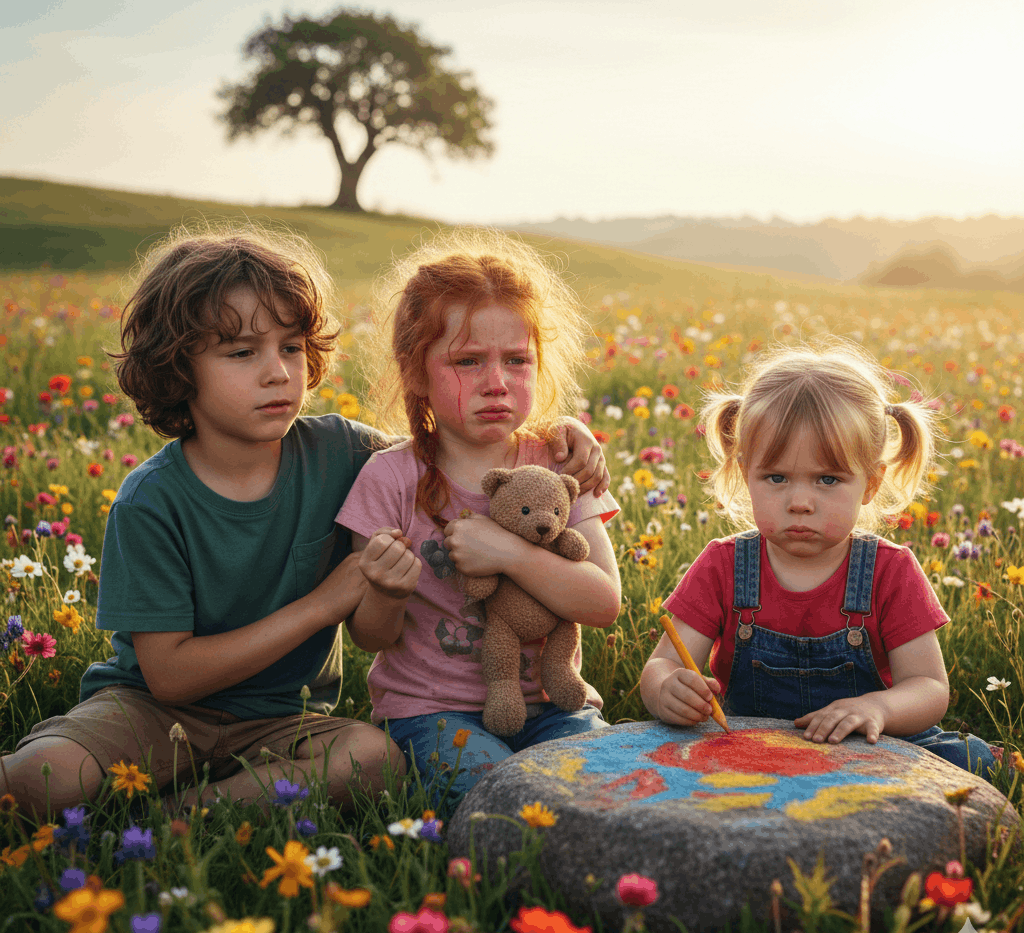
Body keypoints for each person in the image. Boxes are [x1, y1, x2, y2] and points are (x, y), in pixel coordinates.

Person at [0, 227, 602, 822]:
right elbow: (169, 677)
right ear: (177, 368)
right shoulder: (150, 502)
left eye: (291, 348)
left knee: (372, 759)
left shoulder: (342, 452)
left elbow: (451, 449)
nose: (278, 373)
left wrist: (557, 436)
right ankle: (166, 806)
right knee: (46, 776)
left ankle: (177, 818)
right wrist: (323, 604)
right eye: (242, 352)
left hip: (288, 721)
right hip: (148, 713)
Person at [337, 229, 621, 810]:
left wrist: (511, 554)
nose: (496, 382)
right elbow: (371, 637)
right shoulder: (389, 479)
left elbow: (602, 603)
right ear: (415, 372)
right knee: (500, 802)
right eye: (467, 361)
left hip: (554, 706)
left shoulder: (555, 464)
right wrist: (386, 591)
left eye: (517, 360)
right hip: (430, 713)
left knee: (605, 794)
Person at [640, 340, 997, 779]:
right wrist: (666, 690)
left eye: (828, 479)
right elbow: (664, 663)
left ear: (869, 483)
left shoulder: (889, 570)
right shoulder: (723, 566)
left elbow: (929, 688)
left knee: (973, 763)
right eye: (776, 477)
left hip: (876, 747)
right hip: (749, 747)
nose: (800, 502)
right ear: (744, 473)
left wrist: (877, 707)